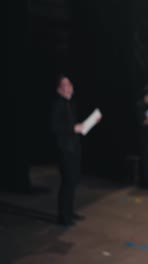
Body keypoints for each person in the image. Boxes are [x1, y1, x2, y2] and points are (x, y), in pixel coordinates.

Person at [50, 75, 87, 226]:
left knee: (73, 181)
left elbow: (72, 126)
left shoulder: (71, 103)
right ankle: (63, 218)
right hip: (64, 149)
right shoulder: (57, 104)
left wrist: (83, 126)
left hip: (74, 148)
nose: (69, 86)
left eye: (70, 83)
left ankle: (69, 212)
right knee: (67, 182)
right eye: (65, 84)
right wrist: (73, 128)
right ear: (59, 90)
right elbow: (54, 127)